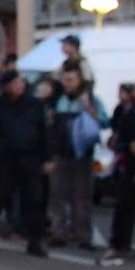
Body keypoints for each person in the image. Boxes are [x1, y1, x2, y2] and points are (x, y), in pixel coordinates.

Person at [0, 71, 50, 257]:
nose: (19, 85)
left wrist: (47, 158)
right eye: (14, 82)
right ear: (6, 86)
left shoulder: (35, 105)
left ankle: (35, 240)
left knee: (34, 199)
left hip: (30, 157)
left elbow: (44, 132)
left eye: (20, 82)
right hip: (6, 157)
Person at [47, 65, 108, 249]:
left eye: (71, 80)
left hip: (83, 154)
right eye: (65, 80)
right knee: (57, 194)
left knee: (82, 197)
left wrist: (88, 107)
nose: (67, 83)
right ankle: (59, 232)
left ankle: (83, 235)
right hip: (61, 153)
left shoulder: (91, 99)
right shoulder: (59, 100)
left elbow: (104, 121)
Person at [103, 80, 135, 263]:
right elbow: (120, 138)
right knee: (124, 205)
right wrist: (126, 145)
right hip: (130, 165)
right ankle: (118, 243)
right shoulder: (129, 113)